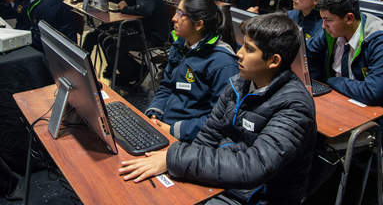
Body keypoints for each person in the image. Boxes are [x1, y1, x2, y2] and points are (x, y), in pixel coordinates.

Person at [119, 13, 317, 205]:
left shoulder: (295, 106)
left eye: (248, 49)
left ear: (273, 61)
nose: (238, 53)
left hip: (255, 196)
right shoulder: (240, 82)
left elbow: (254, 166)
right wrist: (182, 171)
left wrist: (174, 159)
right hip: (225, 181)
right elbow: (209, 135)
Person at [306, 0, 383, 151]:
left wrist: (331, 82)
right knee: (303, 126)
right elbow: (306, 52)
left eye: (328, 20)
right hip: (342, 102)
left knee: (314, 141)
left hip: (380, 117)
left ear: (349, 18)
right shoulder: (333, 30)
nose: (323, 26)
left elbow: (371, 93)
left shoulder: (381, 43)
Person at [145, 0, 238, 142]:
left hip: (191, 138)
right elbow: (167, 87)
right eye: (176, 11)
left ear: (199, 24)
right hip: (164, 124)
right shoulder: (181, 44)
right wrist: (155, 113)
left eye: (181, 14)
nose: (173, 18)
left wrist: (173, 130)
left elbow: (220, 119)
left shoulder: (223, 62)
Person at [101, 0, 170, 83]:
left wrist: (125, 9)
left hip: (154, 37)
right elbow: (128, 0)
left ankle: (133, 74)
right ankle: (136, 71)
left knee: (113, 46)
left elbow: (146, 10)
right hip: (145, 32)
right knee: (107, 40)